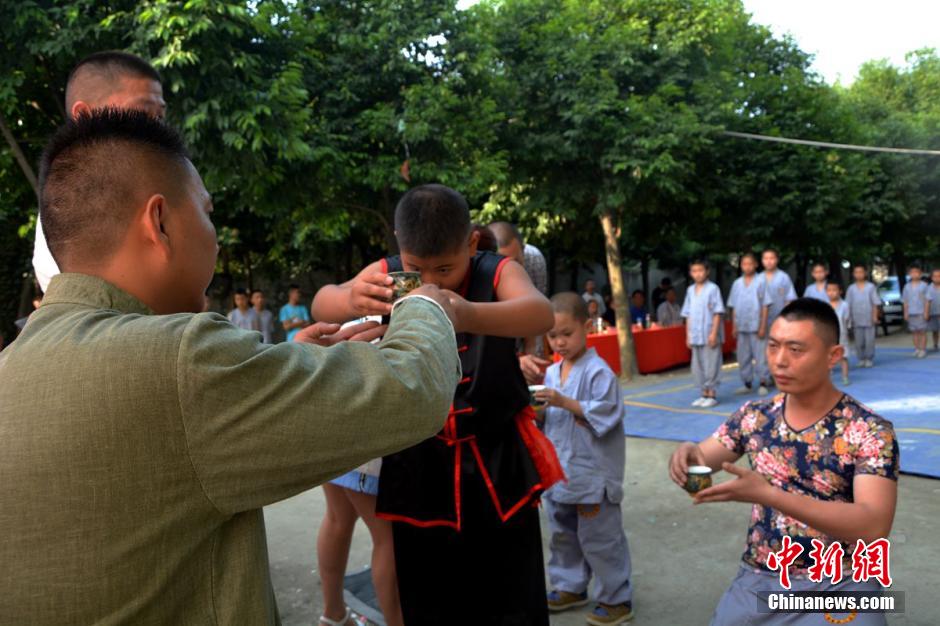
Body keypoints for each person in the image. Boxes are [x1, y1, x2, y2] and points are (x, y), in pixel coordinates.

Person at [0, 110, 463, 624]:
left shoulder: (11, 365)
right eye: (207, 212)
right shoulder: (182, 361)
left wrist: (272, 360)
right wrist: (424, 304)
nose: (215, 237)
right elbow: (415, 386)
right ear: (158, 223)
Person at [312, 184, 561, 626]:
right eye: (415, 269)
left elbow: (539, 313)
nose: (429, 282)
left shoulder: (495, 269)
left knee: (511, 592)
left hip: (495, 461)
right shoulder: (387, 273)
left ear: (471, 243)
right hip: (418, 463)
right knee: (427, 596)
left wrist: (461, 311)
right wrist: (351, 298)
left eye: (445, 269)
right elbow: (322, 300)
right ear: (399, 247)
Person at [668, 298, 898, 626]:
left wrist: (771, 496)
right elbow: (702, 458)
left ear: (833, 356)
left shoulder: (869, 430)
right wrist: (686, 452)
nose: (779, 361)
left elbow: (873, 526)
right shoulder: (755, 417)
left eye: (795, 349)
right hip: (761, 577)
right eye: (773, 346)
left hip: (843, 579)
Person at [33, 50, 166, 293]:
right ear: (84, 115)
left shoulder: (163, 179)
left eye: (159, 116)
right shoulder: (65, 204)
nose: (155, 128)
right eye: (141, 113)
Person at [537, 293, 634, 626]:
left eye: (567, 333)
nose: (560, 342)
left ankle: (617, 597)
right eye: (553, 336)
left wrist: (565, 402)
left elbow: (607, 414)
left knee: (600, 539)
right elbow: (549, 420)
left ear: (587, 326)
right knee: (562, 534)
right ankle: (570, 586)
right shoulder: (551, 373)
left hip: (592, 475)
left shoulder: (598, 372)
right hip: (561, 473)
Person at [488, 221, 549, 355]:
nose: (510, 270)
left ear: (523, 249)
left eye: (516, 262)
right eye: (501, 263)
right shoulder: (480, 268)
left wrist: (530, 351)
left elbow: (535, 311)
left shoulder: (534, 259)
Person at [681, 260, 725, 408]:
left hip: (708, 333)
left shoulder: (713, 289)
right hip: (695, 334)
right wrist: (688, 335)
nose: (697, 274)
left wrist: (714, 333)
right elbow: (687, 314)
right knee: (697, 365)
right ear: (690, 273)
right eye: (694, 271)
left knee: (711, 364)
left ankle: (712, 394)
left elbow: (717, 312)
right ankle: (703, 393)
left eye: (700, 270)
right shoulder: (690, 290)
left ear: (707, 271)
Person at [727, 253, 770, 396]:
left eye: (750, 263)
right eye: (744, 264)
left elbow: (765, 305)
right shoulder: (737, 284)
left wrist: (763, 326)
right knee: (743, 356)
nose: (747, 266)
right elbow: (732, 306)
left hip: (757, 325)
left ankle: (763, 381)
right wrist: (734, 326)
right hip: (741, 325)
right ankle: (747, 383)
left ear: (756, 264)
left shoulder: (761, 281)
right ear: (741, 266)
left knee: (760, 355)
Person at [756, 249, 797, 387]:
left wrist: (788, 320)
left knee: (780, 350)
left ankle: (781, 376)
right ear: (761, 261)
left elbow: (789, 299)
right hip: (761, 322)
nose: (769, 261)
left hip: (779, 321)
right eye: (765, 258)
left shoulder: (783, 277)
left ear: (777, 259)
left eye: (772, 258)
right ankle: (764, 379)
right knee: (763, 351)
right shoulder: (758, 278)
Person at [845, 264, 881, 368]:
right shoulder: (851, 288)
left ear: (865, 273)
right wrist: (848, 319)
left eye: (861, 272)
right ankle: (861, 358)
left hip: (869, 318)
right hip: (856, 319)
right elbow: (847, 305)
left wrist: (875, 316)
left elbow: (875, 303)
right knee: (859, 341)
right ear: (853, 274)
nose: (859, 274)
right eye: (856, 272)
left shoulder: (870, 287)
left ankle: (869, 358)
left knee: (869, 340)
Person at [901, 263, 930, 358]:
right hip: (911, 312)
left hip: (921, 312)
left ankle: (923, 349)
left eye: (916, 272)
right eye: (912, 272)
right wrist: (905, 313)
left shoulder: (924, 285)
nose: (914, 274)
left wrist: (926, 312)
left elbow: (927, 300)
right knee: (914, 332)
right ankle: (917, 348)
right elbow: (905, 301)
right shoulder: (906, 286)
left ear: (920, 273)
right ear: (909, 274)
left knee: (922, 331)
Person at [827, 282, 851, 385]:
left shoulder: (845, 305)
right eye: (829, 290)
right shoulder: (825, 305)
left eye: (834, 290)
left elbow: (847, 319)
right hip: (827, 335)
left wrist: (848, 330)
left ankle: (845, 377)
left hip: (842, 334)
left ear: (840, 291)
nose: (832, 293)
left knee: (843, 356)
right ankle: (826, 379)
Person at [928, 268, 940, 351]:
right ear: (931, 277)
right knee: (935, 330)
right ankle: (935, 344)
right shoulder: (928, 288)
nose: (937, 278)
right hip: (933, 312)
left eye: (939, 276)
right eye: (935, 276)